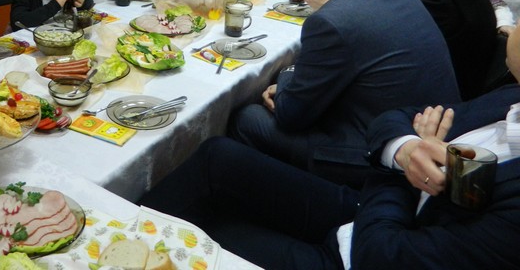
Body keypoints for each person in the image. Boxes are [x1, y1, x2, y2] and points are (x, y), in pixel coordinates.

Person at [140, 18, 520, 269]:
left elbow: (380, 256)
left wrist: (404, 167)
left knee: (198, 232)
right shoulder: (509, 98)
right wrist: (406, 148)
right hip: (365, 209)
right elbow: (396, 117)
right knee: (216, 156)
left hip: (357, 253)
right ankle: (124, 228)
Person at [229, 0, 460, 187]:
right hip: (440, 136)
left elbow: (290, 116)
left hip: (383, 155)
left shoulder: (331, 20)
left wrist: (286, 73)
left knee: (248, 117)